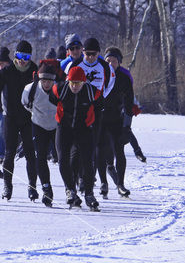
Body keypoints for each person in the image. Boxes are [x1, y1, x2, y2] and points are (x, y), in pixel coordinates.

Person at [65, 37, 115, 197]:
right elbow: (67, 85)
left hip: (96, 110)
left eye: (94, 54)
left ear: (98, 53)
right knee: (75, 149)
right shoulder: (74, 65)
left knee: (90, 147)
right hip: (77, 111)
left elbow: (109, 85)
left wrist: (98, 100)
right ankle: (75, 181)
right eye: (87, 54)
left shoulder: (105, 67)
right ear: (83, 52)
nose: (91, 57)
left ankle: (87, 181)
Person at [0, 40, 38, 201]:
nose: (22, 60)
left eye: (26, 56)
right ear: (15, 55)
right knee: (9, 153)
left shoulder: (34, 71)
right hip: (10, 117)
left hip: (29, 118)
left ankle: (32, 187)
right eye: (19, 55)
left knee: (31, 154)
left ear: (30, 57)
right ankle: (7, 185)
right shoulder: (7, 71)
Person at [49, 66, 101, 210]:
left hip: (83, 129)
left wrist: (93, 129)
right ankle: (70, 190)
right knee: (62, 159)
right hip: (64, 128)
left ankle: (89, 194)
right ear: (68, 80)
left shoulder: (92, 92)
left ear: (84, 82)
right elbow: (52, 99)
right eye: (72, 82)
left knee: (87, 161)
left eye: (78, 83)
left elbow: (99, 108)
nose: (74, 86)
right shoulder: (60, 89)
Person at [22, 60, 63, 206]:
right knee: (40, 156)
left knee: (62, 157)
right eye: (44, 80)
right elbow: (26, 105)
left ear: (54, 80)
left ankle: (72, 188)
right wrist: (38, 115)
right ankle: (46, 188)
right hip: (38, 124)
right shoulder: (30, 90)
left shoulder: (60, 89)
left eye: (50, 81)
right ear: (39, 79)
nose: (47, 84)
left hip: (57, 125)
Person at [101, 47, 134, 197]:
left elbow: (129, 104)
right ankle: (104, 182)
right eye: (108, 60)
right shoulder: (99, 74)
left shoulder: (124, 78)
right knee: (101, 151)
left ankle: (120, 184)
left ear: (119, 63)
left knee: (119, 151)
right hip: (100, 118)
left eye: (114, 61)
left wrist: (127, 126)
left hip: (116, 119)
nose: (110, 63)